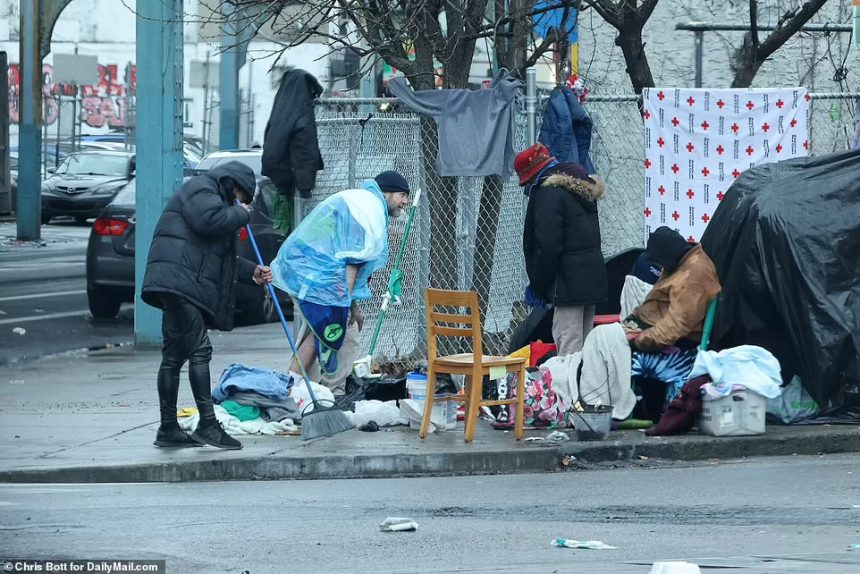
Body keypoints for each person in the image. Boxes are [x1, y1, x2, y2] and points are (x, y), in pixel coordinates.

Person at [142, 162, 273, 450]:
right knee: (200, 351)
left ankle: (168, 429)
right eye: (241, 196)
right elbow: (209, 221)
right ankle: (208, 425)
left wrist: (251, 271)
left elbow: (219, 257)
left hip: (177, 281)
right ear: (234, 184)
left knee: (174, 356)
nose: (240, 203)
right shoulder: (202, 189)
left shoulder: (211, 197)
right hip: (179, 281)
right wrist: (242, 214)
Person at [270, 170, 410, 382]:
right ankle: (296, 388)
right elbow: (351, 262)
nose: (406, 201)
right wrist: (343, 304)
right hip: (316, 275)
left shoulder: (365, 203)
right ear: (387, 193)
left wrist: (352, 307)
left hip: (310, 271)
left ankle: (299, 388)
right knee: (323, 334)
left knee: (318, 334)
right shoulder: (369, 210)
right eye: (402, 195)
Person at [515, 143, 608, 355]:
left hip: (566, 284)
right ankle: (584, 378)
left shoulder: (549, 193)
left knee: (568, 344)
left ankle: (568, 379)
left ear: (533, 174)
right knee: (584, 346)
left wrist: (539, 285)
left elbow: (547, 246)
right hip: (590, 279)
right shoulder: (580, 187)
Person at [624, 226, 722, 401]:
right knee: (602, 338)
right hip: (652, 329)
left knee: (609, 347)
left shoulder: (693, 275)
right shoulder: (681, 261)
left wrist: (639, 341)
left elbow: (675, 328)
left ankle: (621, 405)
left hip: (677, 343)